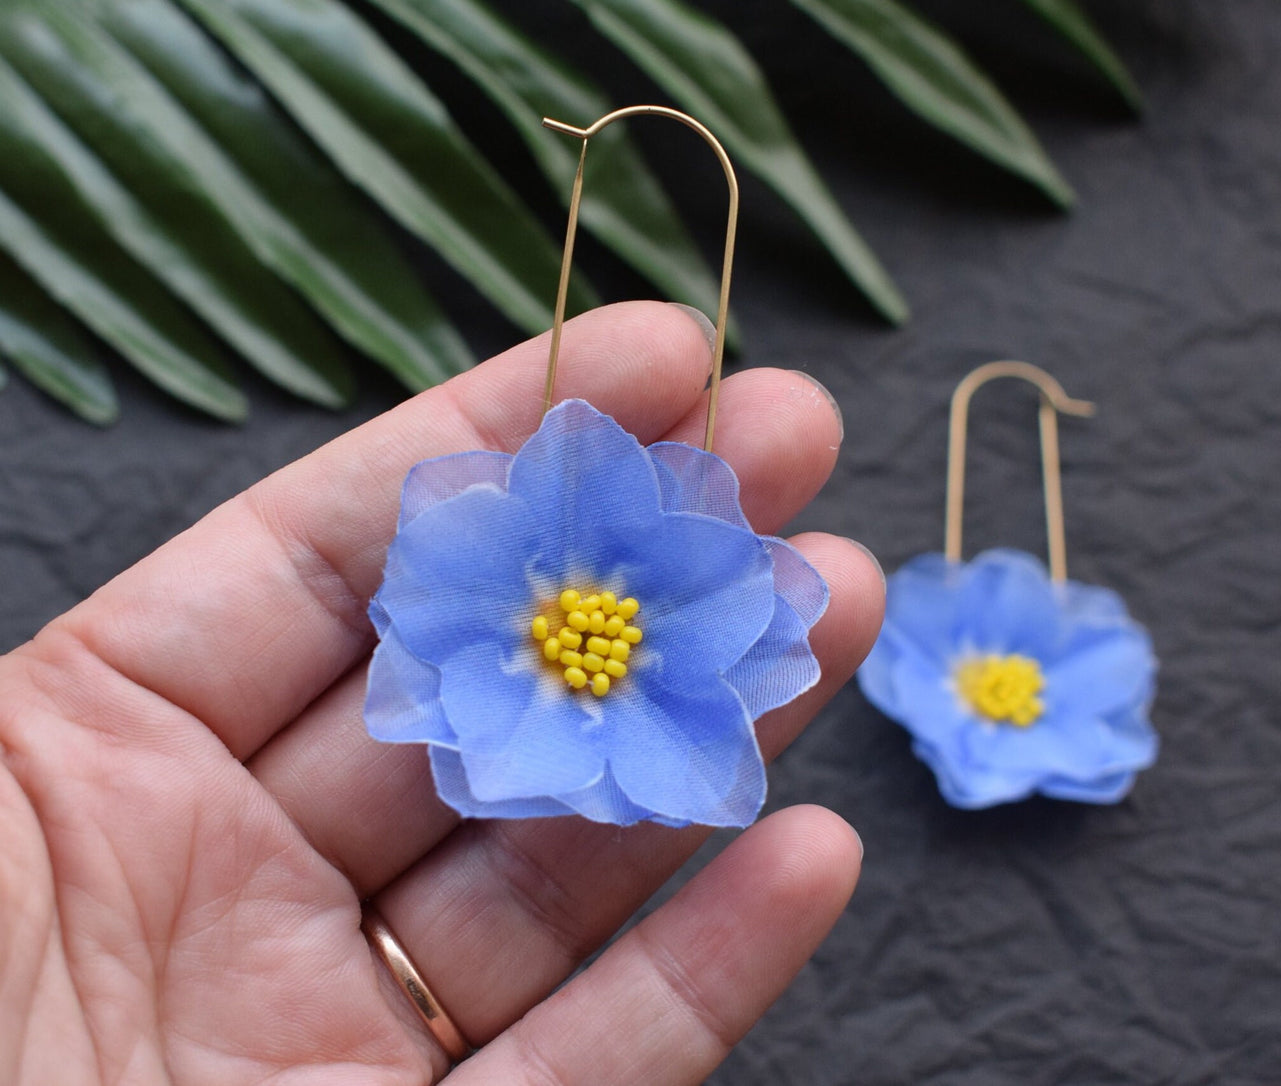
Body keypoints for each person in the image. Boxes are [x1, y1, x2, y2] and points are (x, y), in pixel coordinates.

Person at [0, 302, 885, 1085]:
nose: (586, 642)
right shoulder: (482, 575)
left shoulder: (717, 592)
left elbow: (733, 620)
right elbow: (446, 669)